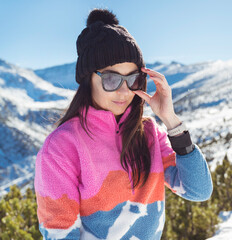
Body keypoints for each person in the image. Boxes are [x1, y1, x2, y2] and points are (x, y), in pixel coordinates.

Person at [34, 8, 213, 240]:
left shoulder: (150, 134)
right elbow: (60, 233)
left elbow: (198, 191)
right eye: (111, 78)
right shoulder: (61, 147)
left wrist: (171, 121)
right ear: (88, 80)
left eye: (133, 79)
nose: (124, 90)